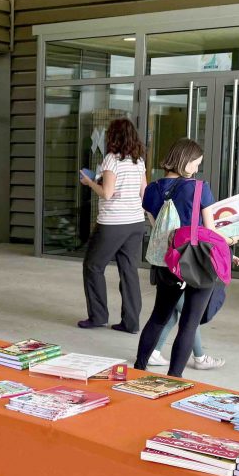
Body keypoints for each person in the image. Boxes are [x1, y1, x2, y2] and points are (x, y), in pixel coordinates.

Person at [134, 138, 231, 376]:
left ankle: (139, 367)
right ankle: (174, 378)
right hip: (197, 262)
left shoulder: (151, 190)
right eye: (196, 163)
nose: (197, 169)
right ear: (185, 161)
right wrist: (229, 242)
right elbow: (209, 232)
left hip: (168, 261)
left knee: (158, 316)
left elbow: (158, 228)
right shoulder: (199, 188)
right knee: (189, 322)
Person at [78, 118, 147, 332]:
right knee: (129, 271)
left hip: (113, 223)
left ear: (113, 137)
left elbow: (107, 193)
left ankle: (98, 316)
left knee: (93, 266)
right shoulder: (139, 161)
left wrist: (90, 182)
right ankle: (131, 323)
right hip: (136, 222)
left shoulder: (111, 160)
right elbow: (143, 192)